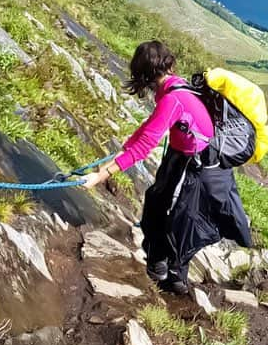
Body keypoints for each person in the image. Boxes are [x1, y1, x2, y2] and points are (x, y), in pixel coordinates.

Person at [82, 40, 252, 294]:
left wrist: (100, 177)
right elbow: (146, 132)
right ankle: (161, 271)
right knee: (158, 206)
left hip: (199, 167)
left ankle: (174, 283)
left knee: (179, 222)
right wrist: (111, 160)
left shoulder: (173, 99)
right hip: (186, 157)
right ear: (169, 64)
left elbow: (142, 148)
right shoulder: (175, 88)